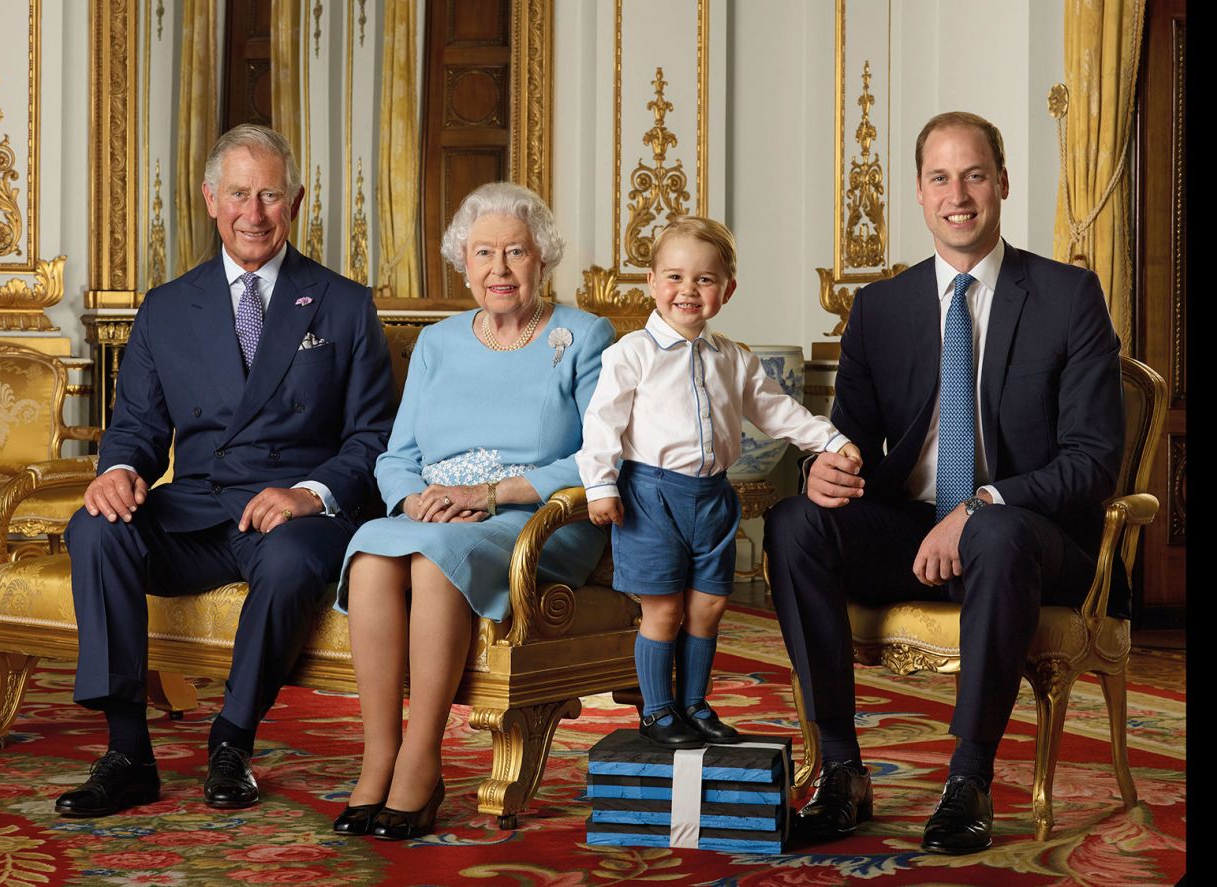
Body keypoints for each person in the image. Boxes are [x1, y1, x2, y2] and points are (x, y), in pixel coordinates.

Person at [764, 111, 1125, 854]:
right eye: (939, 177)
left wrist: (984, 501)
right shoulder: (881, 308)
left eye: (974, 175)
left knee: (993, 528)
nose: (957, 193)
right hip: (911, 530)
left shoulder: (1067, 296)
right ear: (919, 194)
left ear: (1002, 183)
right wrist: (821, 468)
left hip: (1031, 537)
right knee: (796, 521)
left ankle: (969, 780)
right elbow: (851, 442)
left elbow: (1092, 460)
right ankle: (840, 770)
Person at [55, 124, 395, 817]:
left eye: (270, 194)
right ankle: (128, 752)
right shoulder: (168, 307)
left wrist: (309, 493)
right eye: (239, 193)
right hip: (201, 506)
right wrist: (118, 469)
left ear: (295, 202)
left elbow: (374, 437)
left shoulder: (345, 303)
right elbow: (138, 430)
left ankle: (231, 742)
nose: (254, 212)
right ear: (211, 199)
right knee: (96, 527)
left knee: (296, 558)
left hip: (294, 512)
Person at [331, 181, 614, 840]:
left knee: (435, 563)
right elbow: (395, 455)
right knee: (372, 552)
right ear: (463, 262)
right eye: (483, 253)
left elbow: (602, 455)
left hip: (535, 521)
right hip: (435, 513)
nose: (500, 269)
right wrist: (412, 498)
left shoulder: (583, 335)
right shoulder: (438, 342)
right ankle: (379, 756)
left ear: (542, 258)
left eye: (516, 251)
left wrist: (492, 494)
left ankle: (422, 760)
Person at [578, 216, 862, 750]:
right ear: (651, 283)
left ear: (726, 290)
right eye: (675, 277)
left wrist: (828, 440)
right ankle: (657, 710)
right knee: (662, 608)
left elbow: (775, 410)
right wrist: (600, 485)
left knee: (707, 605)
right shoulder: (630, 354)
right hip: (651, 496)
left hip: (712, 498)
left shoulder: (732, 357)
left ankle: (693, 702)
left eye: (705, 280)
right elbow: (602, 423)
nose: (688, 290)